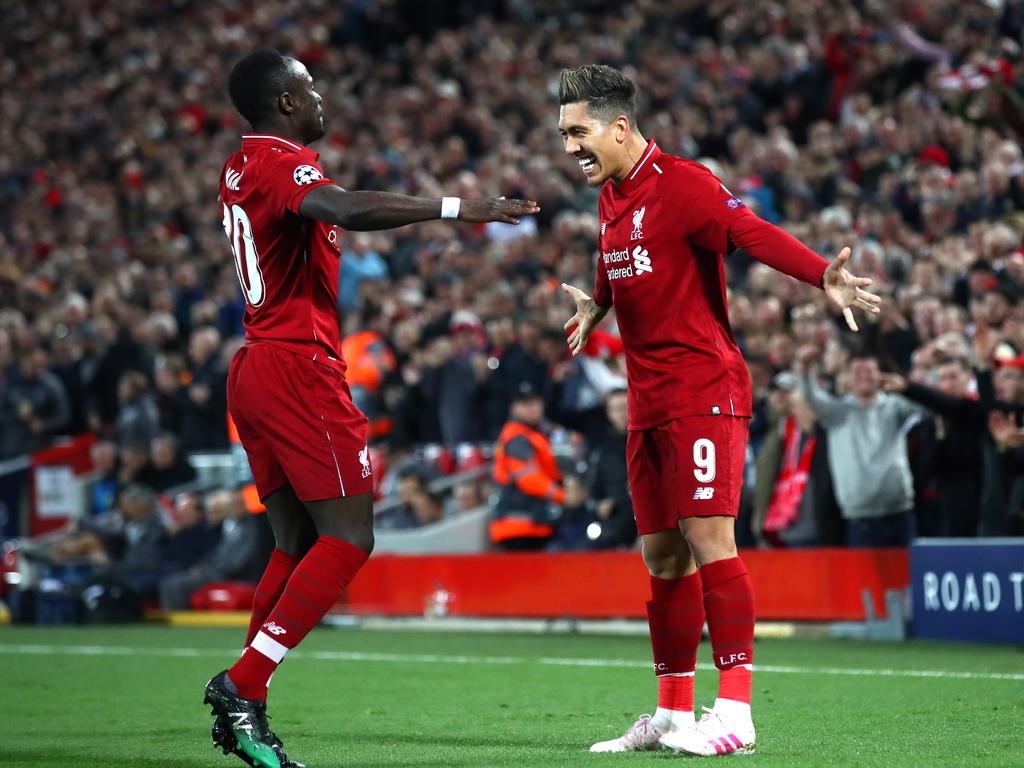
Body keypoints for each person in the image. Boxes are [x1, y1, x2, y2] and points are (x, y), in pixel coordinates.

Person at [202, 48, 538, 768]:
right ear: (285, 102)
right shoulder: (279, 162)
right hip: (297, 367)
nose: (322, 97)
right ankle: (241, 685)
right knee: (350, 538)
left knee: (295, 545)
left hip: (258, 364)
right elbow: (346, 208)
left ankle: (246, 704)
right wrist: (463, 208)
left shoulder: (239, 165)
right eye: (310, 87)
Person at [557, 65, 878, 756]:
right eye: (562, 135)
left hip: (703, 390)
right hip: (646, 400)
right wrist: (598, 303)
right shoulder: (610, 196)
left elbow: (749, 230)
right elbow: (621, 260)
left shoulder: (685, 184)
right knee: (663, 557)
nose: (569, 147)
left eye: (579, 132)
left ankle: (735, 714)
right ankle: (672, 714)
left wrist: (821, 273)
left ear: (620, 127)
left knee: (710, 544)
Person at [797, 350, 923, 547]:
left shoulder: (895, 406)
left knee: (907, 576)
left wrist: (907, 387)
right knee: (866, 578)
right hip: (859, 517)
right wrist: (805, 371)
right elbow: (812, 399)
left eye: (870, 370)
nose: (864, 376)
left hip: (900, 511)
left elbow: (928, 406)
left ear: (879, 374)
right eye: (857, 371)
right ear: (847, 378)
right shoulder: (837, 412)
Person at [490, 384, 564, 551]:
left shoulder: (533, 434)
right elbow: (529, 479)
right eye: (526, 404)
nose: (534, 408)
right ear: (514, 408)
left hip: (532, 523)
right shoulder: (516, 436)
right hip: (519, 526)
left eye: (536, 402)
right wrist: (562, 496)